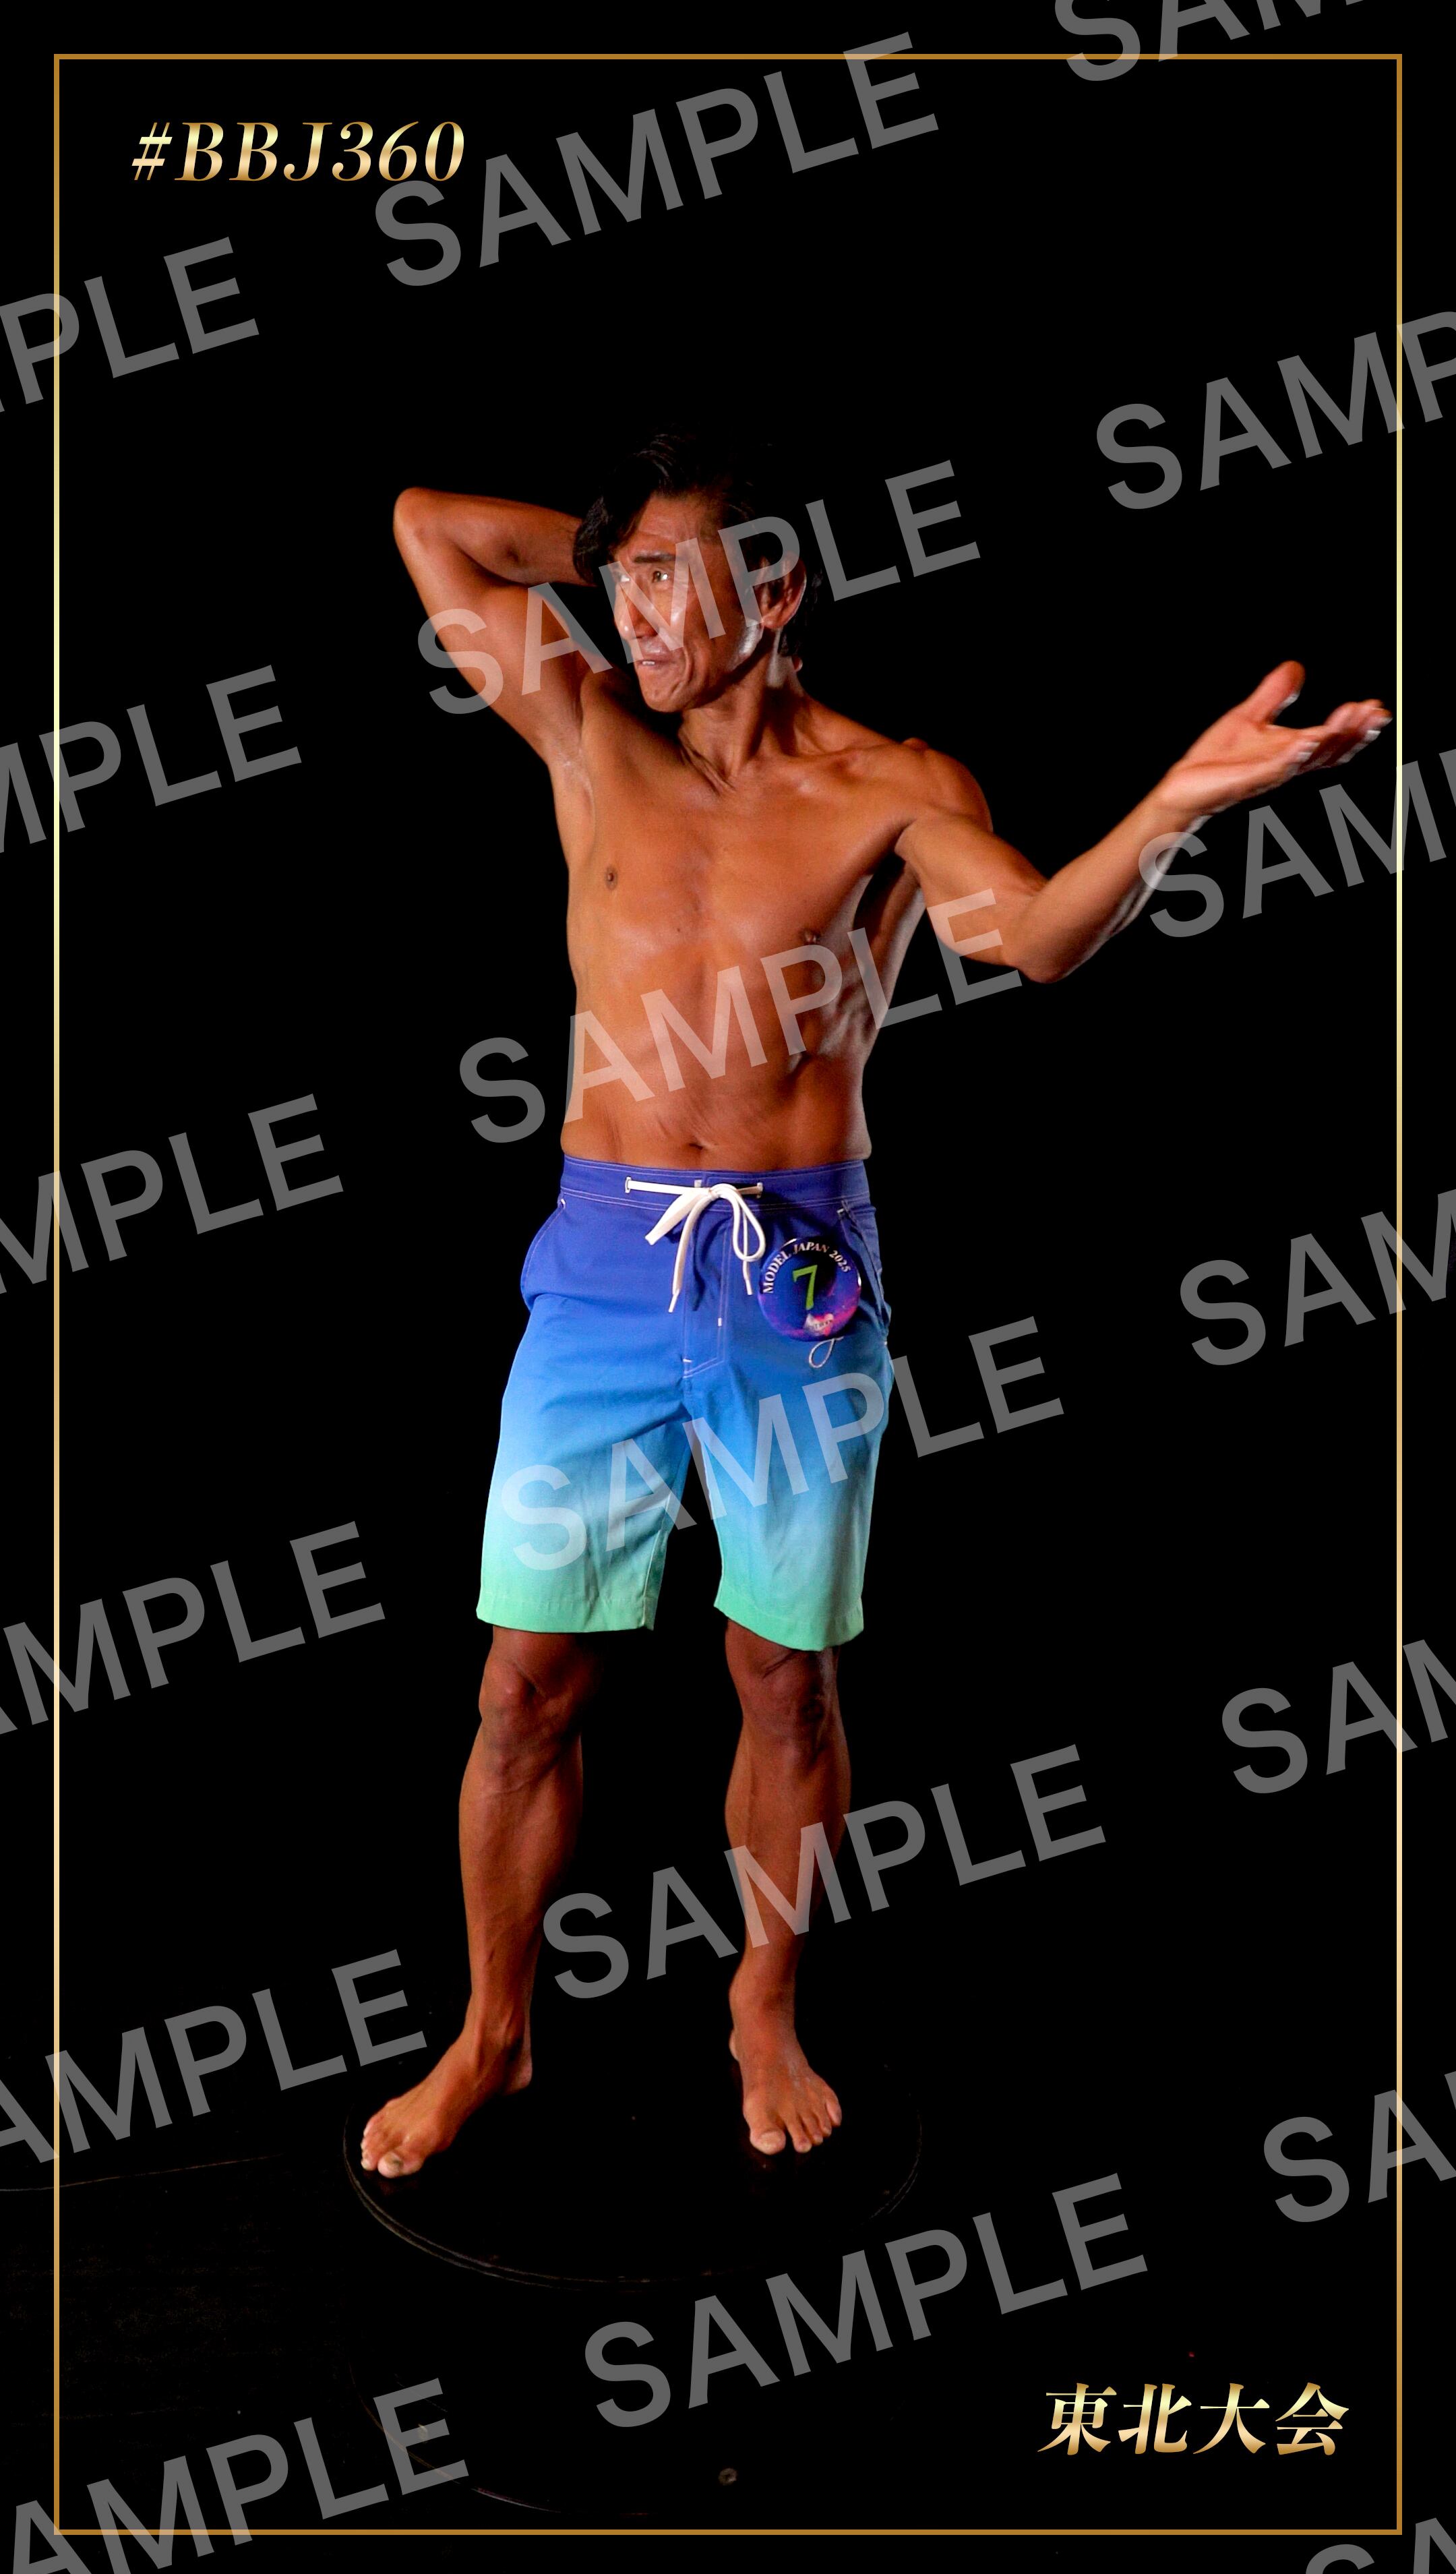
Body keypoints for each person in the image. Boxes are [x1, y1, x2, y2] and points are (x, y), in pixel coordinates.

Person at [362, 428, 1388, 2177]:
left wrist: (1170, 808)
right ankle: (495, 2036)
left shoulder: (892, 788)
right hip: (604, 1269)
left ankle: (763, 2004)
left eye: (675, 574)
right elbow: (428, 526)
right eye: (620, 580)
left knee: (784, 1681)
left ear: (781, 585)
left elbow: (1038, 938)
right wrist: (627, 563)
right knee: (523, 1689)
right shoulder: (587, 726)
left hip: (798, 1282)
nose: (634, 612)